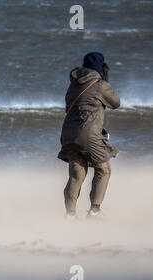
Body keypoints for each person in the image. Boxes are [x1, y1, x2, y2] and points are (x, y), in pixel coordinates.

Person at [58, 52, 120, 219]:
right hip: (90, 135)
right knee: (104, 169)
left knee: (76, 174)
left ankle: (70, 214)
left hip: (69, 135)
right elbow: (116, 103)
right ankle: (95, 210)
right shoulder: (101, 85)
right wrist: (106, 81)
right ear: (100, 68)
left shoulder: (73, 85)